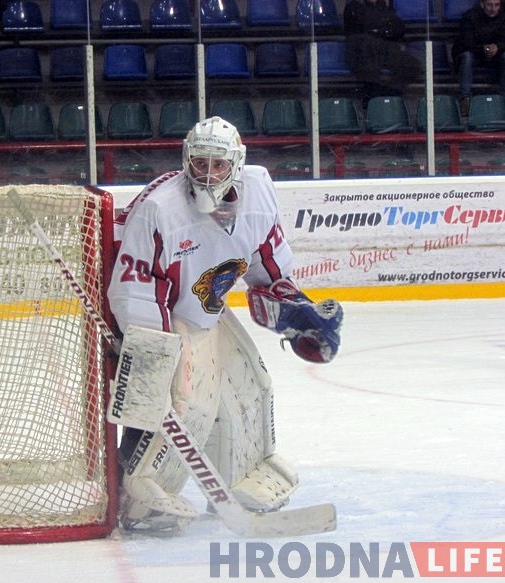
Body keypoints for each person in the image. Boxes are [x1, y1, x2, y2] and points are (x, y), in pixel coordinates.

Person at [106, 117, 344, 533]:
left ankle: (248, 475)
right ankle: (143, 492)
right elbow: (134, 292)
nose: (208, 173)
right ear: (186, 161)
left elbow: (267, 271)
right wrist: (154, 357)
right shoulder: (160, 209)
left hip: (205, 311)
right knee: (187, 404)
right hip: (164, 318)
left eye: (218, 164)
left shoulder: (259, 193)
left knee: (252, 384)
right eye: (199, 163)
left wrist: (297, 315)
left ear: (237, 163)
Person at [343, 0, 423, 106]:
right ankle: (373, 96)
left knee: (412, 64)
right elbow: (362, 27)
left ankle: (390, 92)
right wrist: (382, 30)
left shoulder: (384, 8)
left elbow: (398, 27)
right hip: (362, 51)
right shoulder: (353, 7)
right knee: (367, 48)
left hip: (384, 48)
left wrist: (382, 31)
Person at [452, 0, 505, 117]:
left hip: (495, 56)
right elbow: (466, 41)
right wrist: (483, 48)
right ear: (482, 4)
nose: (493, 9)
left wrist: (497, 47)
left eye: (496, 5)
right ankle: (465, 99)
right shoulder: (469, 17)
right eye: (489, 5)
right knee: (466, 57)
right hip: (475, 53)